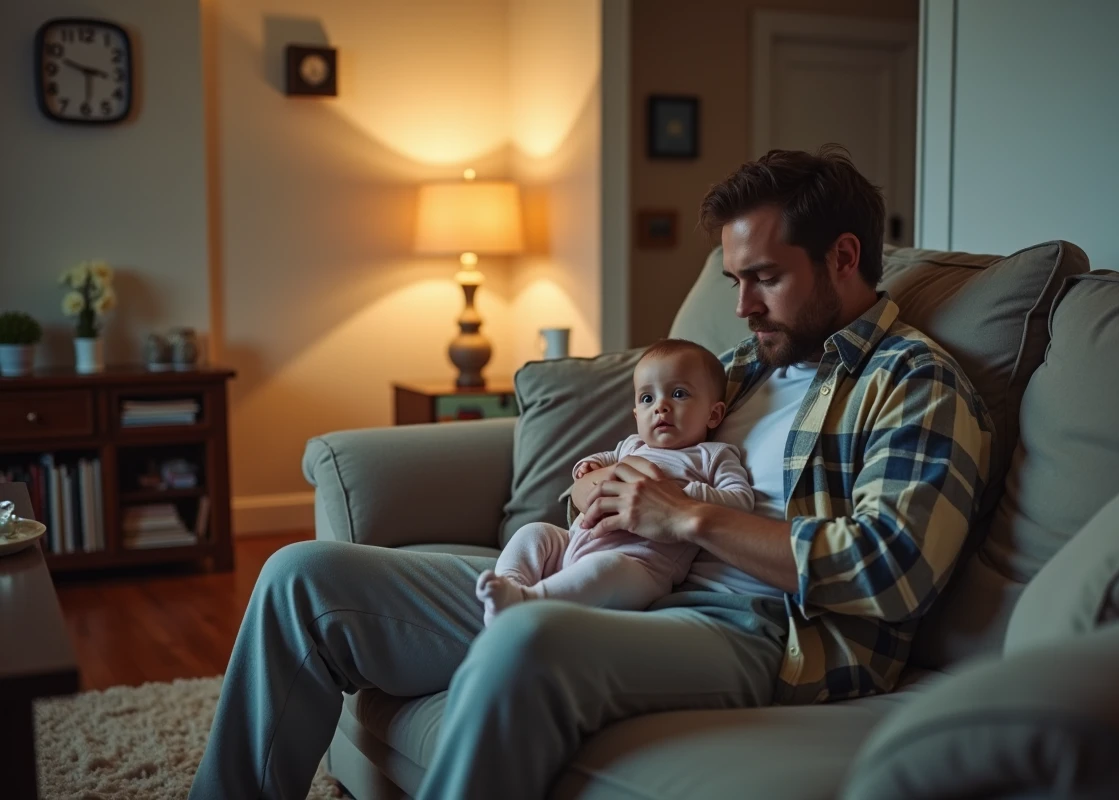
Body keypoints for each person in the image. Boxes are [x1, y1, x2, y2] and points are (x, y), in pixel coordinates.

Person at [189, 146, 994, 800]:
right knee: (300, 577)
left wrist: (686, 517)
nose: (743, 305)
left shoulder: (914, 383)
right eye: (734, 281)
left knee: (533, 636)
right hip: (602, 573)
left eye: (765, 278)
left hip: (745, 626)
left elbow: (894, 571)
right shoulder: (736, 368)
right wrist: (594, 491)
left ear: (844, 257)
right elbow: (618, 468)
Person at [477, 338, 754, 626]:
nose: (661, 407)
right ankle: (509, 585)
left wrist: (685, 495)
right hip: (575, 542)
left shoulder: (713, 455)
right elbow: (607, 458)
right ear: (636, 415)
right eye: (647, 398)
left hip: (641, 566)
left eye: (679, 393)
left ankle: (530, 602)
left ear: (714, 414)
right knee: (534, 533)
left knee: (606, 568)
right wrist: (591, 465)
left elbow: (741, 500)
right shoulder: (632, 446)